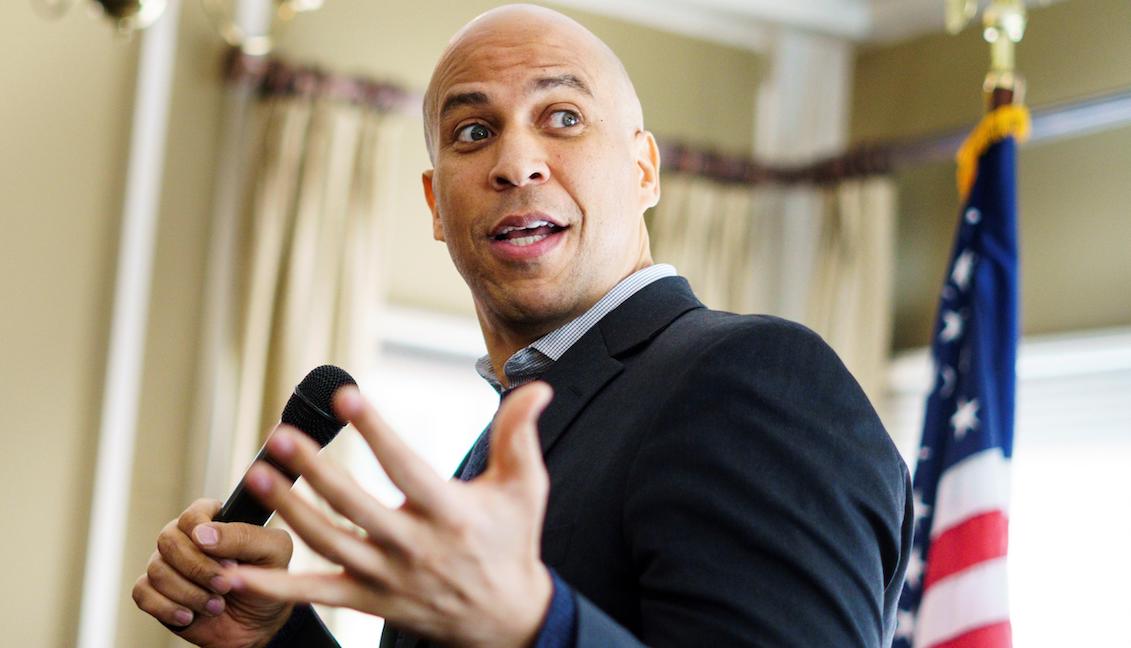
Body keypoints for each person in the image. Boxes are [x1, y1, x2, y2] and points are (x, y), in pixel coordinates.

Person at [132, 4, 913, 647]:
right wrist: (274, 637)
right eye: (473, 132)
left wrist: (536, 625)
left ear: (644, 170)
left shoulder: (752, 377)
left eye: (562, 118)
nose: (516, 163)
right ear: (438, 206)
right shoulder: (507, 439)